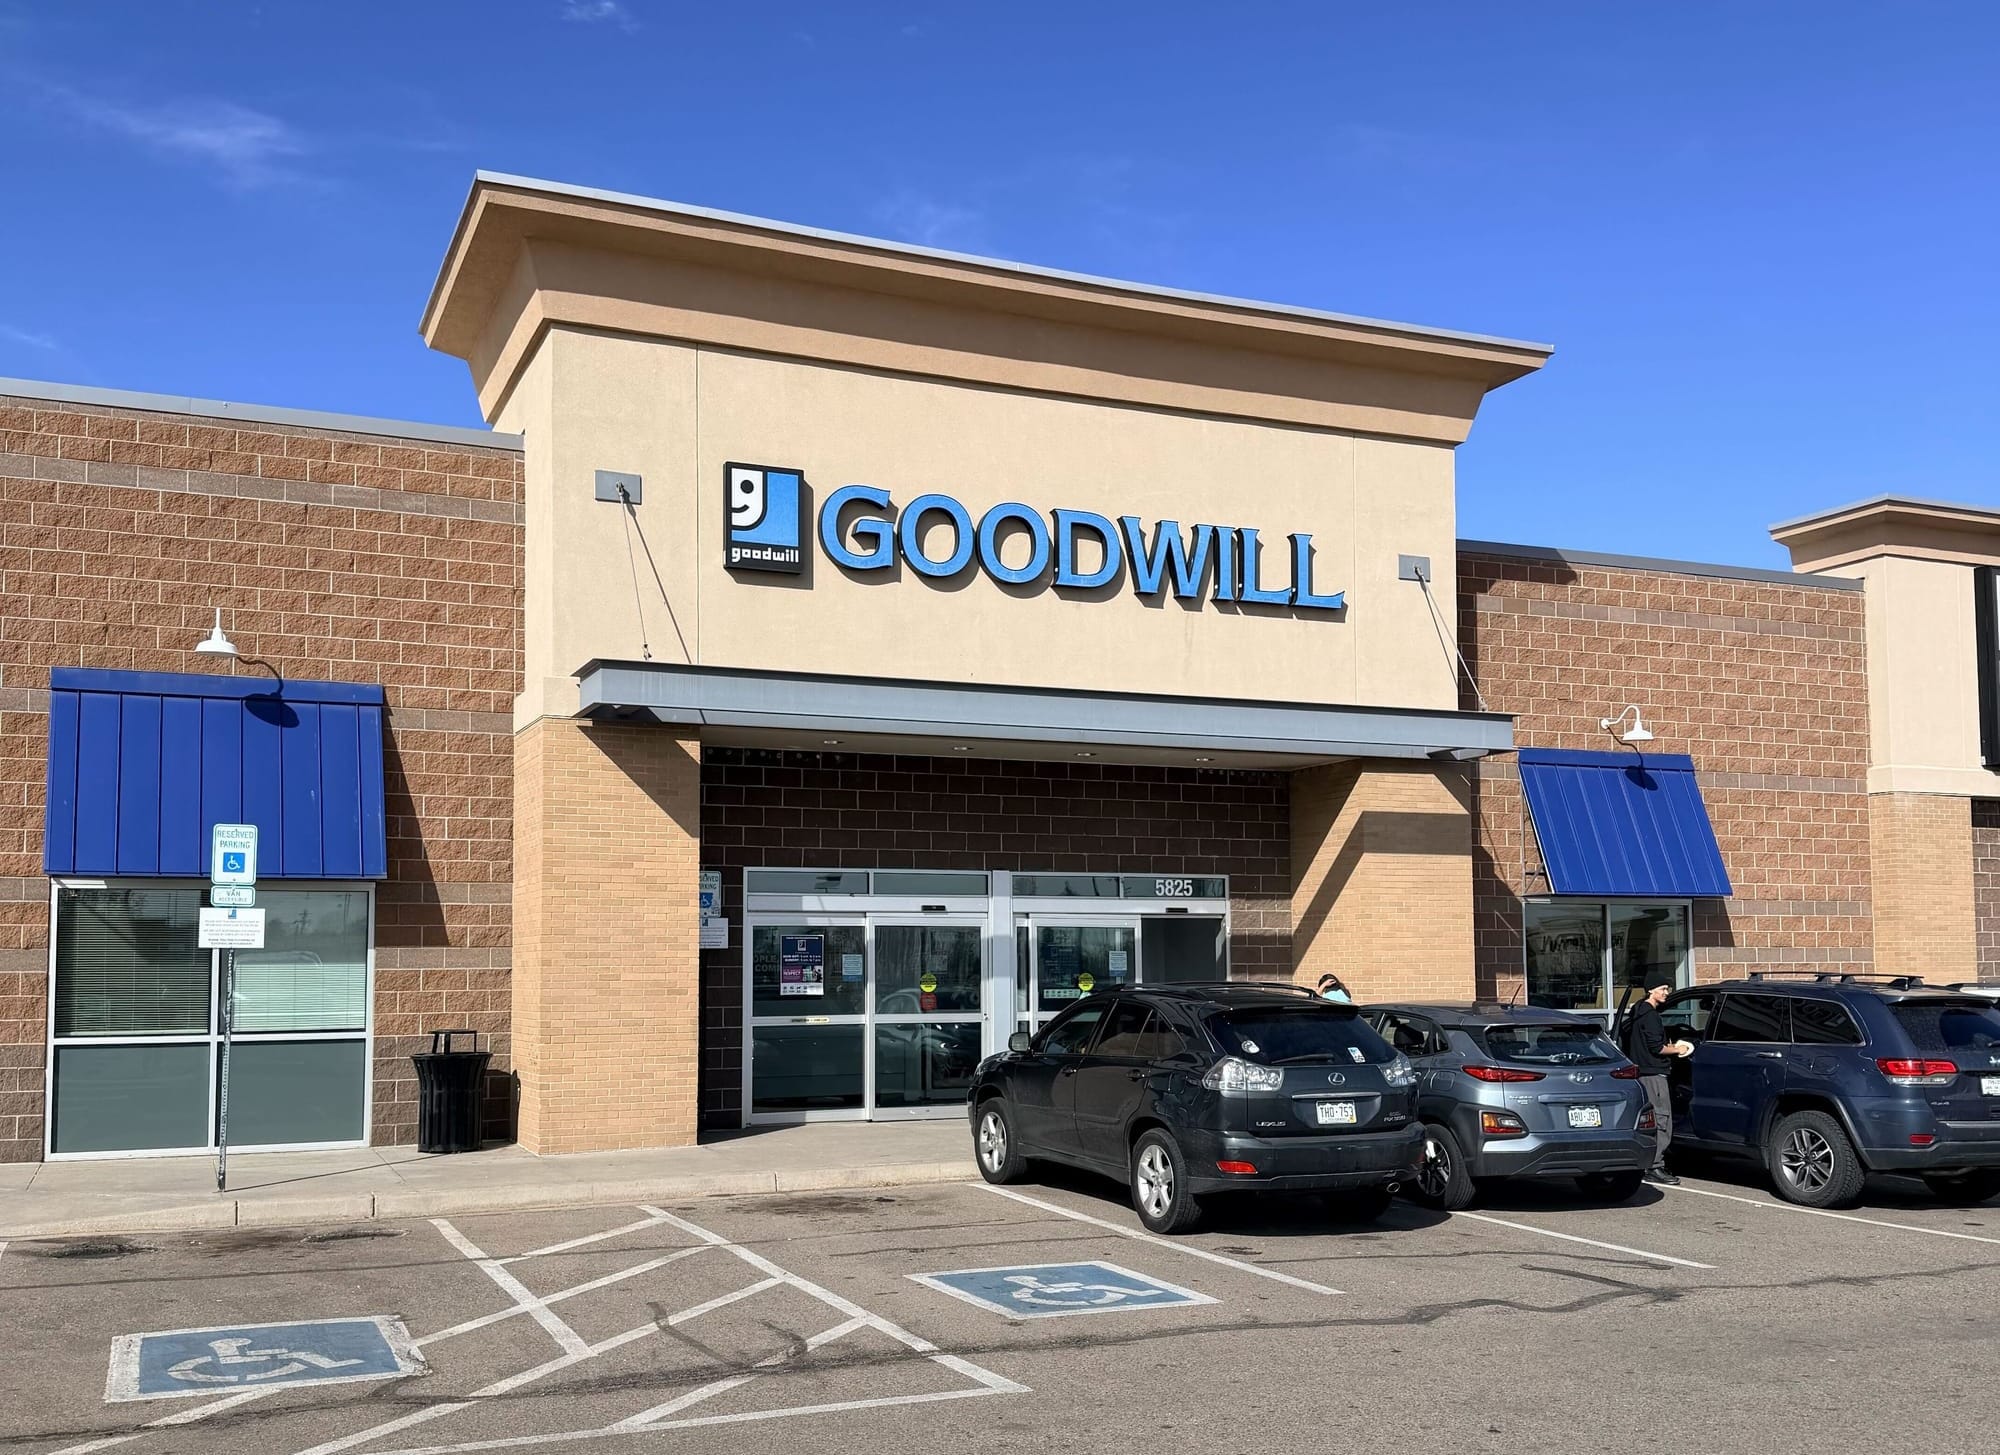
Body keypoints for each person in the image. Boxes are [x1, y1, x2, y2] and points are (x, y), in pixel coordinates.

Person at [1621, 972, 1693, 1185]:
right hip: (1654, 1074)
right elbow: (1657, 1047)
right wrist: (1678, 1048)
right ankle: (1655, 1166)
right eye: (1663, 988)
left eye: (1667, 989)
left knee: (1648, 1121)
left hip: (1641, 1073)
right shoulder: (1650, 1016)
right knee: (1662, 1121)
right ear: (1651, 990)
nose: (1666, 992)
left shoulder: (1637, 1011)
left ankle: (1648, 1163)